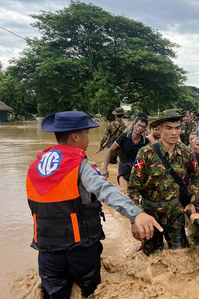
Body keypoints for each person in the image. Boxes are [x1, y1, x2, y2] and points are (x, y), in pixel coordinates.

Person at [26, 111, 162, 298]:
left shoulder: (36, 165)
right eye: (87, 133)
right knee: (91, 292)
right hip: (80, 249)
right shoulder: (80, 164)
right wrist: (136, 213)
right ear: (75, 136)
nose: (89, 138)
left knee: (54, 294)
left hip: (46, 250)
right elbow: (105, 189)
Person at [127, 109, 199, 255]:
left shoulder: (186, 152)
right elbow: (133, 189)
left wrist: (192, 201)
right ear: (159, 129)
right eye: (169, 128)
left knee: (181, 256)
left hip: (175, 214)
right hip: (150, 215)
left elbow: (196, 177)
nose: (174, 132)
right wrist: (134, 219)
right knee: (152, 258)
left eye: (177, 128)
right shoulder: (145, 154)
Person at [102, 117, 149, 191]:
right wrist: (105, 168)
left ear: (145, 130)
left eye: (143, 127)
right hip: (124, 167)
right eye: (138, 125)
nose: (140, 128)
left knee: (135, 194)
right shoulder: (124, 137)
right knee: (124, 191)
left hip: (137, 169)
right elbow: (110, 150)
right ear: (133, 125)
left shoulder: (145, 142)